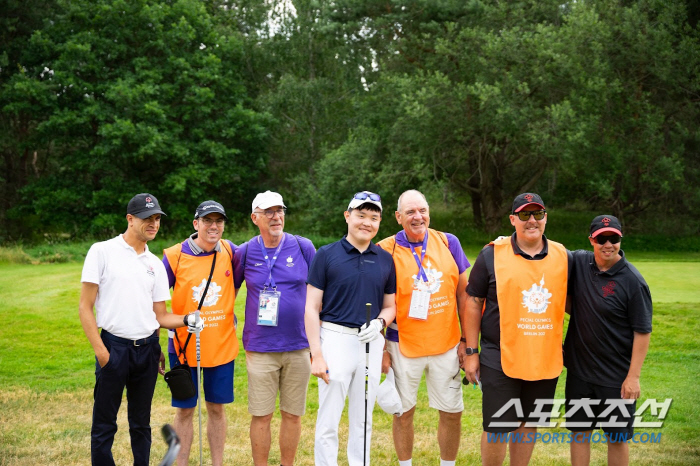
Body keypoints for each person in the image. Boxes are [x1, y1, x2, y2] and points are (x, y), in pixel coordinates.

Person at [79, 193, 202, 466]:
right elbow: (85, 307)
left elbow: (160, 315)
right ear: (130, 219)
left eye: (157, 218)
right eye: (148, 218)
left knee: (140, 423)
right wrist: (102, 353)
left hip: (146, 352)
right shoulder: (102, 252)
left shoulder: (155, 265)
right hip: (113, 348)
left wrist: (185, 321)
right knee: (104, 424)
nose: (154, 223)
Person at [463, 193, 572, 466]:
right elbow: (473, 303)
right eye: (525, 215)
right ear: (513, 220)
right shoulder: (491, 254)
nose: (532, 220)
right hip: (498, 355)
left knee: (529, 422)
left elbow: (577, 301)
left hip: (543, 356)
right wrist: (471, 351)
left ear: (546, 218)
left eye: (538, 214)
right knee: (498, 426)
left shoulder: (564, 255)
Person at [376, 190, 471, 466]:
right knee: (403, 413)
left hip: (447, 343)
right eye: (410, 212)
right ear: (398, 217)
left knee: (452, 412)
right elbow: (377, 301)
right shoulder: (384, 250)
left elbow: (464, 295)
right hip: (402, 344)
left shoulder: (448, 241)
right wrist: (382, 348)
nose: (418, 217)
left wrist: (466, 340)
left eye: (422, 211)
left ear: (429, 212)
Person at [304, 191, 397, 466]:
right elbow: (311, 307)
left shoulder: (384, 259)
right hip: (335, 339)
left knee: (363, 418)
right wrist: (316, 354)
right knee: (329, 418)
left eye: (373, 217)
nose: (366, 222)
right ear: (348, 216)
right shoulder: (326, 255)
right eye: (361, 215)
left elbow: (390, 306)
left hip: (370, 341)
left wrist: (381, 322)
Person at [233, 191, 316, 466]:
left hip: (299, 345)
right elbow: (228, 292)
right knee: (262, 415)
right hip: (260, 348)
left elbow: (319, 295)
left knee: (293, 414)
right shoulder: (244, 251)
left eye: (279, 210)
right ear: (255, 217)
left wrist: (319, 342)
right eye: (268, 212)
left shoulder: (304, 247)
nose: (276, 216)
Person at [564, 215, 652, 466]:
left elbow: (642, 331)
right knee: (579, 433)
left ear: (620, 239)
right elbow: (548, 252)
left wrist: (633, 377)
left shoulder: (633, 281)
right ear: (591, 239)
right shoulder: (580, 261)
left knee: (616, 437)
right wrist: (508, 241)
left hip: (616, 377)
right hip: (580, 372)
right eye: (602, 238)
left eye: (613, 238)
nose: (608, 244)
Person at [162, 200, 238, 466]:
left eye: (218, 221)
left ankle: (217, 463)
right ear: (196, 224)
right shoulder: (174, 256)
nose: (213, 226)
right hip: (184, 348)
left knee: (216, 409)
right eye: (207, 221)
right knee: (185, 411)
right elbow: (156, 307)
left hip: (221, 346)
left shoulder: (230, 250)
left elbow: (239, 281)